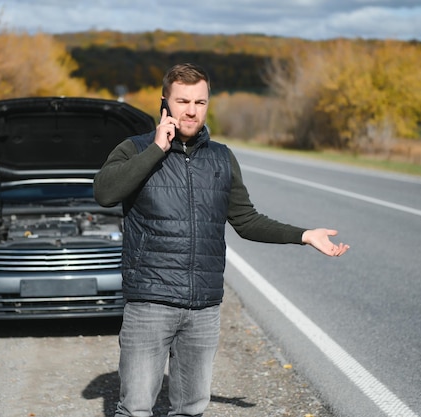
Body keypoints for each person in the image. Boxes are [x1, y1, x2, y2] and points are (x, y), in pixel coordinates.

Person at [93, 63, 349, 417]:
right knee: (135, 409)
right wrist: (156, 149)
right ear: (165, 102)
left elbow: (247, 221)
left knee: (191, 409)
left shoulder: (221, 158)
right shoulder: (134, 149)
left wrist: (304, 235)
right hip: (150, 303)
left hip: (204, 308)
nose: (191, 110)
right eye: (183, 101)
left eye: (200, 102)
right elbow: (105, 193)